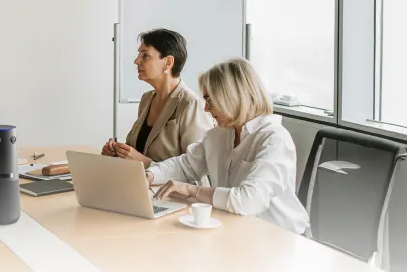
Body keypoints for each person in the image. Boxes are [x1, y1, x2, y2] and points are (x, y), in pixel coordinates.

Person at [148, 58, 309, 234]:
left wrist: (191, 190)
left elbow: (247, 201)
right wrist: (149, 175)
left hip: (278, 238)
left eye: (210, 100)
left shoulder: (274, 139)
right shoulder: (221, 134)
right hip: (237, 228)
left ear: (232, 97)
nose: (206, 109)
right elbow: (186, 165)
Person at [102, 29, 213, 167]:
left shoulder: (191, 104)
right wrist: (118, 152)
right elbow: (137, 151)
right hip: (140, 185)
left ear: (168, 62)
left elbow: (197, 169)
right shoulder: (147, 99)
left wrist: (145, 163)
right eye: (138, 55)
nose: (137, 61)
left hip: (168, 188)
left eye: (145, 55)